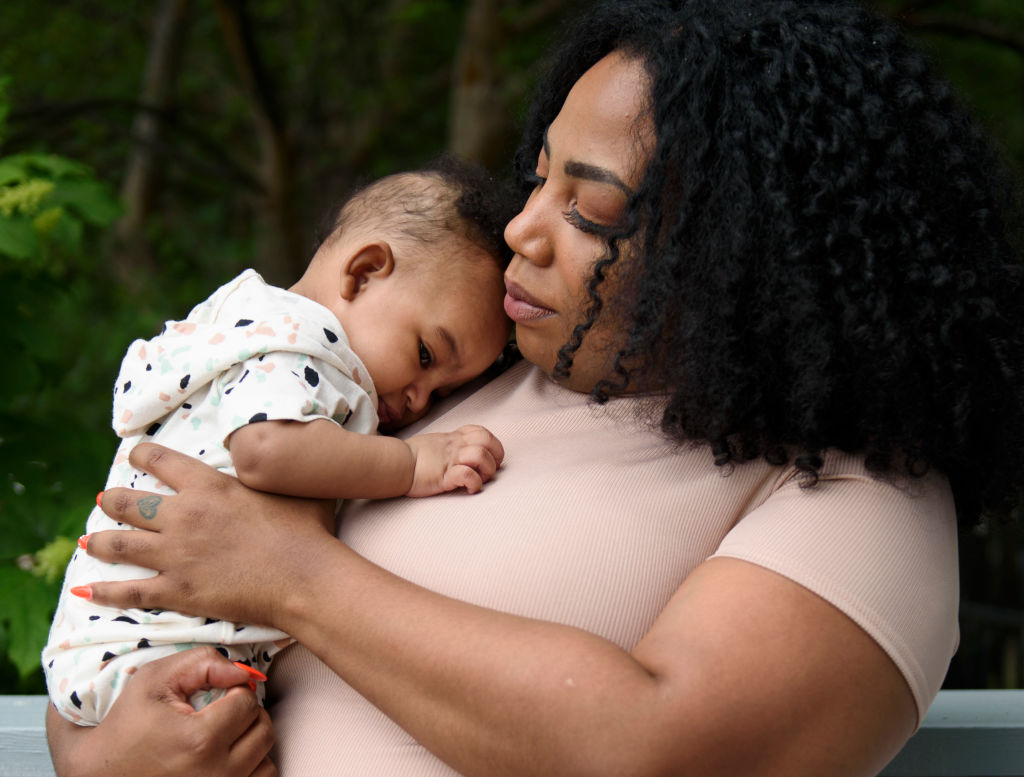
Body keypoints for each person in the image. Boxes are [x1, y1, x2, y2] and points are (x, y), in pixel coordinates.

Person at [47, 1, 1024, 775]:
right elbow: (143, 581)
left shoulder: (854, 497)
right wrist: (98, 754)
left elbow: (661, 753)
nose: (520, 228)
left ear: (747, 254)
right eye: (539, 177)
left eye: (589, 207)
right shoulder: (446, 376)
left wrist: (294, 580)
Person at [42, 159, 514, 727]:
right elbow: (267, 452)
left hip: (131, 642)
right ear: (362, 273)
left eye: (443, 393)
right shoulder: (297, 345)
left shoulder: (250, 325)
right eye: (425, 357)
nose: (419, 401)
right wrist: (413, 462)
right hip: (153, 647)